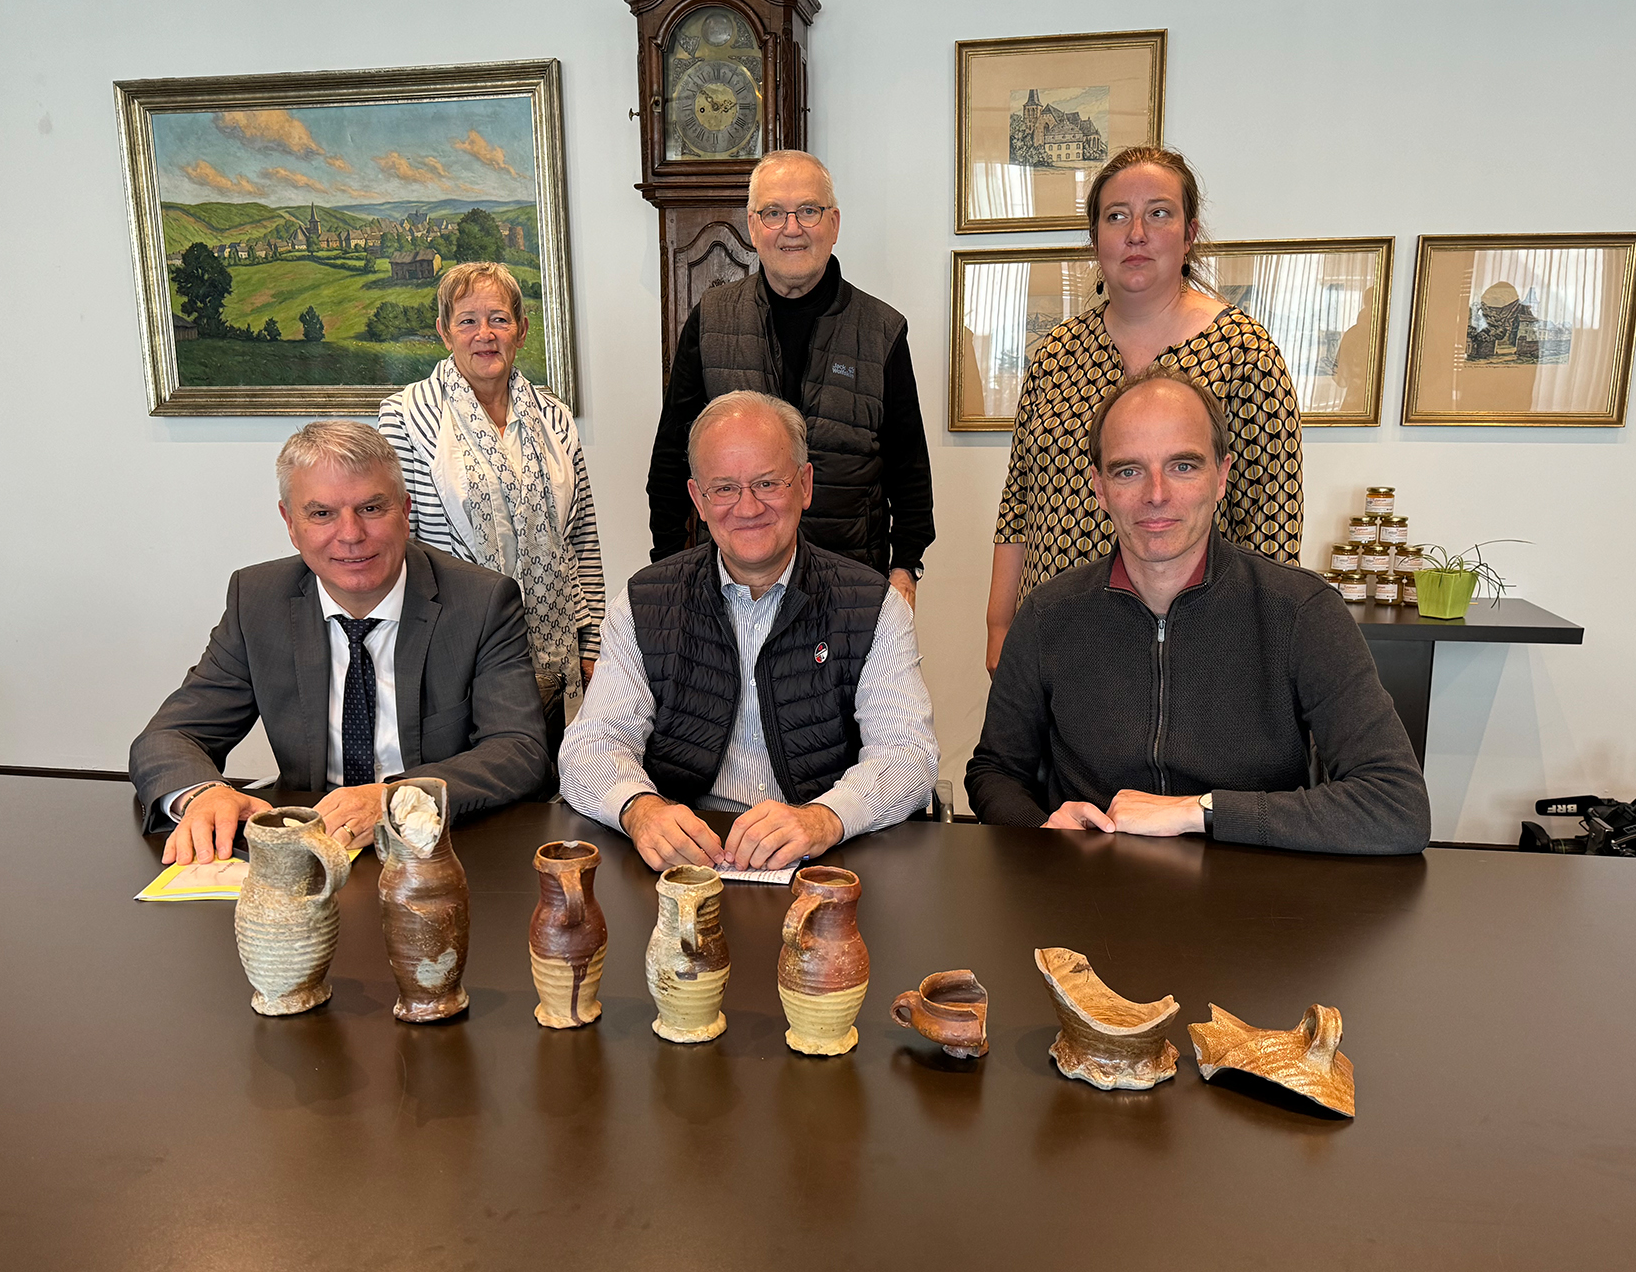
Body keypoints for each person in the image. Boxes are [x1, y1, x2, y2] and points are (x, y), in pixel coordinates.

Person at [966, 366, 1428, 855]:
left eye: (1183, 465)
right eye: (1129, 470)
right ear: (1100, 488)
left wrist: (1199, 811)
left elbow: (1397, 806)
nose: (1156, 494)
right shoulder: (1048, 614)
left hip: (1254, 897)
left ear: (1222, 475)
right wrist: (1041, 829)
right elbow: (994, 772)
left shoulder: (1301, 612)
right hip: (1092, 896)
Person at [130, 422, 549, 866]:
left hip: (441, 852)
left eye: (371, 507)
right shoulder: (257, 599)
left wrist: (394, 798)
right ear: (290, 524)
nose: (350, 535)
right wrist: (204, 794)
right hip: (313, 851)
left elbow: (518, 751)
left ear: (406, 511)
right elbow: (170, 736)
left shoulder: (481, 601)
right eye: (322, 514)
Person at [564, 391, 939, 871]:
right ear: (697, 499)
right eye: (723, 488)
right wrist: (641, 810)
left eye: (767, 483)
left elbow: (909, 757)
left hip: (823, 867)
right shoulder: (644, 603)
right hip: (687, 865)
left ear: (804, 485)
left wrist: (825, 818)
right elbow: (588, 747)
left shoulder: (872, 606)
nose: (747, 507)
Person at [986, 145, 1304, 675]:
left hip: (1191, 644)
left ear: (1190, 233)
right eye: (1117, 216)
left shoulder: (1243, 352)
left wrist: (1258, 656)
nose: (1136, 232)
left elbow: (1272, 522)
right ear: (1095, 240)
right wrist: (999, 627)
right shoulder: (1055, 355)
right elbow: (1018, 504)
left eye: (1158, 213)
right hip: (1060, 638)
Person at [647, 150, 934, 605]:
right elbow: (671, 460)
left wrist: (905, 568)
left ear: (834, 224)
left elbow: (909, 467)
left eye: (808, 211)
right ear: (753, 226)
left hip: (851, 588)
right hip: (731, 589)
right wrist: (667, 567)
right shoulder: (709, 321)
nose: (792, 228)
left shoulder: (882, 330)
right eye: (774, 213)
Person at [378, 261, 602, 759]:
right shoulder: (406, 417)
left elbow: (581, 539)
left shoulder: (554, 418)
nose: (485, 334)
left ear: (521, 330)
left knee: (541, 796)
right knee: (465, 791)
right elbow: (398, 546)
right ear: (443, 332)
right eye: (467, 320)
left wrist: (592, 647)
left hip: (552, 652)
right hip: (450, 652)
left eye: (499, 319)